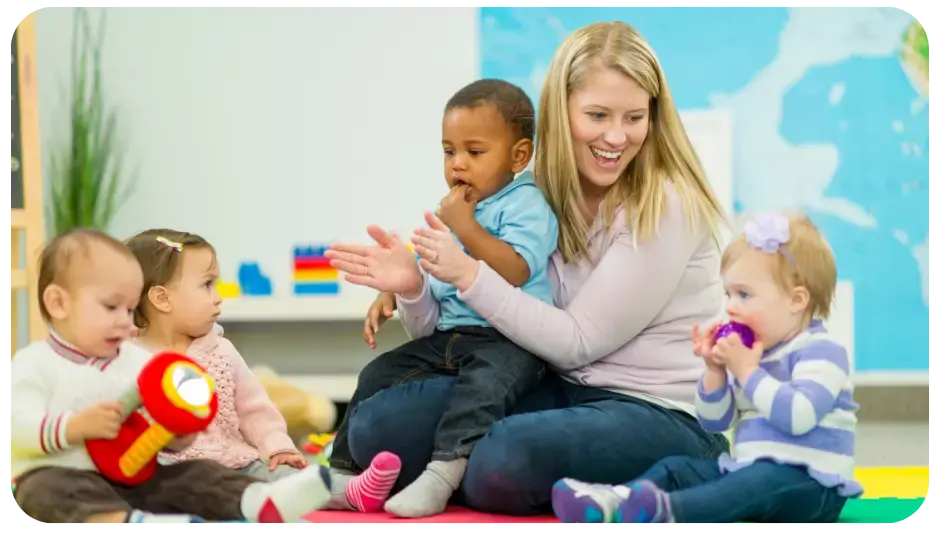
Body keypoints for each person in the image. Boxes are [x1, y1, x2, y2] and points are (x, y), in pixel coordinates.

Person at [329, 21, 731, 516]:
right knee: (376, 427)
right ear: (562, 115)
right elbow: (447, 325)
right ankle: (473, 473)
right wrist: (413, 286)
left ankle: (691, 467)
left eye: (634, 117)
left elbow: (579, 340)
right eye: (597, 115)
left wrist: (468, 274)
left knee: (502, 459)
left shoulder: (667, 203)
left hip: (653, 409)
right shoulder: (528, 191)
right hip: (554, 386)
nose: (615, 136)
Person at [325, 78, 559, 518]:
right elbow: (436, 277)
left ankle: (443, 473)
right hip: (452, 336)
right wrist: (396, 289)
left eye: (474, 152)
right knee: (379, 372)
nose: (458, 165)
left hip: (509, 342)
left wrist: (466, 226)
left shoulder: (525, 203)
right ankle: (344, 474)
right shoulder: (457, 210)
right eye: (449, 152)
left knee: (481, 391)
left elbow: (516, 269)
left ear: (518, 156)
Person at [9, 229, 332, 532]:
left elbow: (162, 416)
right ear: (58, 303)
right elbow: (16, 425)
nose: (125, 320)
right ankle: (127, 525)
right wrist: (73, 428)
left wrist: (179, 433)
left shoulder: (135, 360)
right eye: (111, 307)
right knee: (43, 492)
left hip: (135, 477)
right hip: (70, 479)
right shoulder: (35, 363)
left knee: (196, 473)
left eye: (129, 308)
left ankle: (257, 502)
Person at [551, 213, 861, 527]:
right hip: (747, 472)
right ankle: (614, 502)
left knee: (760, 479)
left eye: (744, 294)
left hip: (814, 486)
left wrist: (747, 371)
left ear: (796, 300)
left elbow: (798, 416)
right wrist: (714, 372)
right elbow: (715, 422)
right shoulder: (752, 356)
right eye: (728, 294)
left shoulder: (822, 352)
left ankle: (671, 512)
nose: (730, 306)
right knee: (677, 468)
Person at [124, 230, 400, 498]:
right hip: (167, 471)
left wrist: (277, 448)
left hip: (237, 464)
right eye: (207, 285)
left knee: (289, 478)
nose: (218, 296)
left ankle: (351, 490)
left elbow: (254, 410)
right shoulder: (127, 360)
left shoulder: (220, 350)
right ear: (162, 298)